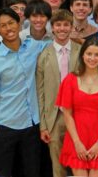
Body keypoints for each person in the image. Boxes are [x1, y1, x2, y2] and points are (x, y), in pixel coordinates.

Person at [0, 8, 51, 177]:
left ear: (19, 24)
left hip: (32, 124)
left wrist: (80, 39)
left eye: (11, 23)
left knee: (32, 171)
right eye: (3, 25)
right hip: (5, 125)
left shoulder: (34, 46)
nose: (8, 28)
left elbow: (58, 44)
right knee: (2, 172)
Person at [57, 38, 98, 177]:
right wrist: (77, 143)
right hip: (76, 138)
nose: (92, 58)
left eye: (97, 54)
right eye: (89, 54)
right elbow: (67, 114)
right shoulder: (70, 79)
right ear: (82, 55)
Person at [36, 9, 81, 177]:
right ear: (52, 28)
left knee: (79, 161)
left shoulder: (81, 51)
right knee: (58, 163)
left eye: (66, 25)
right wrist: (43, 125)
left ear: (72, 27)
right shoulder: (44, 55)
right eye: (58, 25)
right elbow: (40, 92)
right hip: (54, 116)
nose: (62, 28)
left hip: (77, 113)